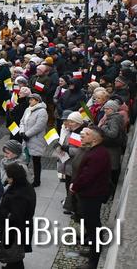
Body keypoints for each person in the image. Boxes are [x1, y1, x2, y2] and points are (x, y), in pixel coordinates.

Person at [70, 126, 112, 269]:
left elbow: (88, 176)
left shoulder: (97, 154)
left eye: (86, 134)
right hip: (91, 193)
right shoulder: (96, 150)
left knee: (93, 226)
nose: (82, 135)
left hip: (92, 195)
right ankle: (93, 252)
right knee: (92, 224)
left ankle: (93, 261)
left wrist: (75, 186)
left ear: (94, 138)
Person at [0, 163, 36, 269]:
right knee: (16, 255)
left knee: (14, 256)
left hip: (15, 231)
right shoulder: (25, 187)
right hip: (22, 228)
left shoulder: (17, 195)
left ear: (14, 178)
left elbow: (14, 217)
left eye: (9, 177)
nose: (7, 179)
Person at [18, 93, 48, 187]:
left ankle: (37, 180)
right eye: (29, 99)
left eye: (32, 99)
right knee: (25, 159)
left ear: (37, 101)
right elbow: (22, 121)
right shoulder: (27, 109)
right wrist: (22, 132)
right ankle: (24, 178)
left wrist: (27, 134)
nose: (30, 101)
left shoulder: (42, 111)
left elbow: (39, 126)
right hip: (26, 138)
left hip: (35, 139)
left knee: (36, 161)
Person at [98, 99, 126, 186]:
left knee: (112, 169)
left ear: (113, 109)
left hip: (112, 148)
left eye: (108, 109)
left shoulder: (114, 119)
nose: (105, 110)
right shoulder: (111, 117)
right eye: (105, 108)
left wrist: (103, 127)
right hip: (111, 147)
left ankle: (112, 191)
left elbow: (113, 134)